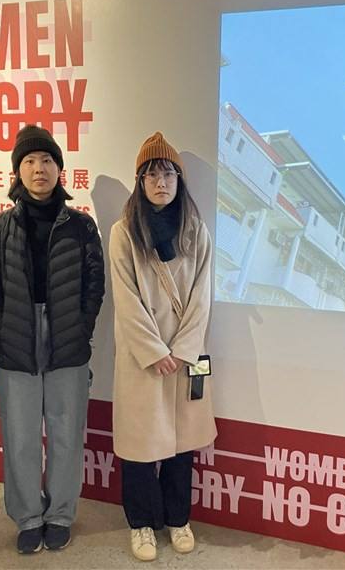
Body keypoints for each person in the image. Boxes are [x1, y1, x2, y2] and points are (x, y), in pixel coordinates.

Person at [0, 125, 105, 554]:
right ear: (17, 171)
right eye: (29, 161)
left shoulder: (81, 226)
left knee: (67, 433)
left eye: (47, 160)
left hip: (68, 338)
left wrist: (81, 329)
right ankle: (29, 516)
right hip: (16, 338)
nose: (39, 168)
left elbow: (94, 285)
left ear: (59, 168)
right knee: (20, 436)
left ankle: (61, 514)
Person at [109, 132, 216, 562]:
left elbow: (203, 296)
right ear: (140, 181)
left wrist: (183, 348)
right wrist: (155, 351)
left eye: (168, 173)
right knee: (139, 445)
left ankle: (178, 518)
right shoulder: (123, 232)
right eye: (151, 174)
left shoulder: (196, 231)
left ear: (179, 180)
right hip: (143, 358)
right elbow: (125, 299)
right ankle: (141, 523)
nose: (160, 182)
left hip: (186, 356)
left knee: (181, 443)